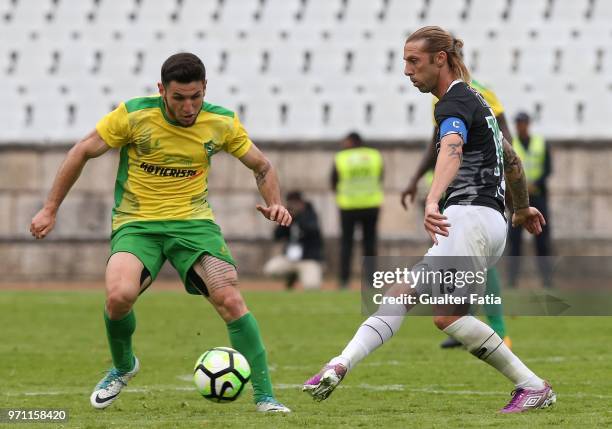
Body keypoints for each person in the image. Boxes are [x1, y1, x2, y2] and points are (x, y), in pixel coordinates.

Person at [303, 26, 556, 413]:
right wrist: (520, 209)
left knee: (442, 314)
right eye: (405, 60)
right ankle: (340, 363)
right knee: (408, 296)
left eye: (413, 61)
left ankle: (532, 385)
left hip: (465, 219)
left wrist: (433, 199)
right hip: (488, 224)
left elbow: (452, 148)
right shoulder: (478, 102)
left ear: (440, 59)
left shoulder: (453, 102)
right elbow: (513, 161)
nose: (406, 70)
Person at [30, 53, 292, 413]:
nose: (189, 107)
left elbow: (261, 166)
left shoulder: (222, 122)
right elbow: (81, 152)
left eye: (196, 96)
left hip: (193, 225)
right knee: (118, 297)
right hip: (137, 224)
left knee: (229, 298)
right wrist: (50, 208)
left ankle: (266, 397)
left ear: (205, 89)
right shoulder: (134, 115)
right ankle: (123, 366)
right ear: (161, 91)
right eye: (179, 98)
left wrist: (275, 202)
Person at [401, 68, 513, 349]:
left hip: (478, 193)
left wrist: (505, 181)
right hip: (451, 192)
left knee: (480, 261)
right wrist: (416, 179)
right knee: (450, 258)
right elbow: (436, 141)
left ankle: (497, 328)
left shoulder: (478, 92)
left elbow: (502, 137)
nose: (410, 70)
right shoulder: (440, 97)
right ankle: (460, 321)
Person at [331, 132, 384, 289]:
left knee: (346, 244)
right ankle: (371, 281)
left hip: (348, 205)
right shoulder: (375, 156)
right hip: (371, 204)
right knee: (370, 244)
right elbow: (380, 177)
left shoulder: (342, 157)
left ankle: (344, 281)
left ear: (352, 141)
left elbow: (333, 181)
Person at [508, 111, 553, 289]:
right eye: (519, 123)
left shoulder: (540, 143)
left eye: (523, 123)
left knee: (542, 240)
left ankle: (546, 280)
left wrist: (535, 183)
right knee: (514, 241)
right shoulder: (512, 143)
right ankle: (512, 281)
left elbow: (548, 169)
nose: (521, 126)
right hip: (517, 198)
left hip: (538, 196)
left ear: (528, 124)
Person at [263, 191, 323, 290]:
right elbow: (277, 236)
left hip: (308, 259)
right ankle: (291, 276)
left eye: (296, 204)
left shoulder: (310, 215)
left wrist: (298, 217)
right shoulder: (288, 216)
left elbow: (313, 230)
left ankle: (298, 275)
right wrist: (280, 220)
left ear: (301, 203)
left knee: (312, 286)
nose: (293, 207)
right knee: (270, 270)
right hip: (290, 259)